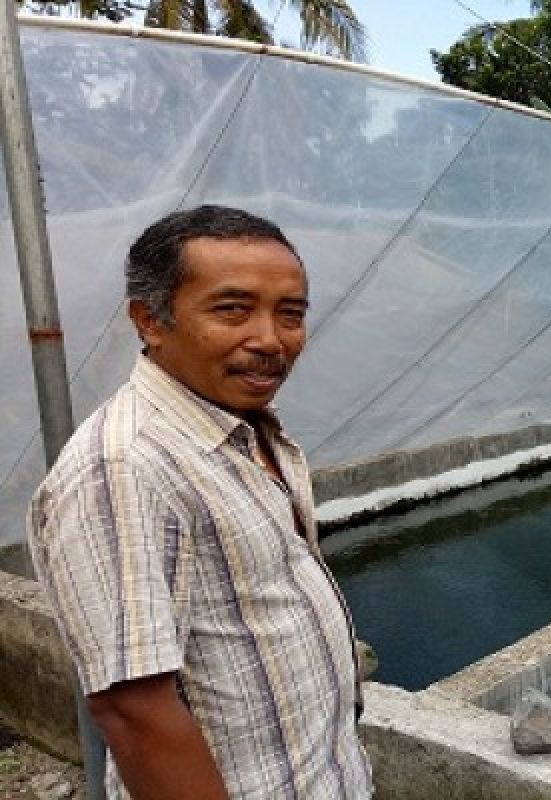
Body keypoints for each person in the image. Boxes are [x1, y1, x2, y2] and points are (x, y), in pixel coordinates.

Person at [28, 206, 373, 799]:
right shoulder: (125, 466)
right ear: (150, 321)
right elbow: (132, 709)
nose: (270, 339)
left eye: (289, 314)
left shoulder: (250, 431)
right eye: (232, 309)